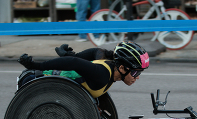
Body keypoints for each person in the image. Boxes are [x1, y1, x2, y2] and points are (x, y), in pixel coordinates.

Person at [17, 41, 150, 99]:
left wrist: (75, 56)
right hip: (33, 80)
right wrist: (36, 65)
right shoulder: (102, 74)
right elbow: (73, 63)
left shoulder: (109, 63)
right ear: (122, 68)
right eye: (135, 72)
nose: (136, 77)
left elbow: (96, 51)